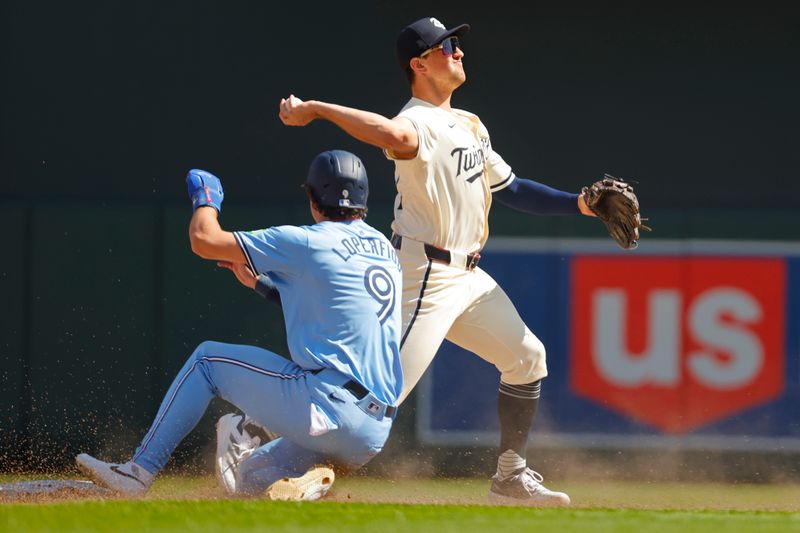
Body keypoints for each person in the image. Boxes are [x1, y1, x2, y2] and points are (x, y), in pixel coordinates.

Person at [223, 17, 599, 506]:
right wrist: (316, 110)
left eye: (457, 43)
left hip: (468, 277)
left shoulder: (469, 124)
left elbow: (515, 190)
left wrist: (581, 205)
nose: (459, 51)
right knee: (374, 402)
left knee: (528, 358)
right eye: (446, 47)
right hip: (426, 275)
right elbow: (389, 133)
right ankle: (253, 449)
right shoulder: (415, 121)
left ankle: (510, 477)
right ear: (419, 64)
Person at [76, 150, 403, 500]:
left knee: (206, 363)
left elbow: (204, 240)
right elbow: (335, 305)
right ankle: (312, 484)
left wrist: (207, 197)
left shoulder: (309, 240)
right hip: (373, 429)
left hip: (328, 403)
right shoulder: (382, 247)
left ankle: (137, 472)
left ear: (312, 196)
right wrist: (261, 285)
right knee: (248, 479)